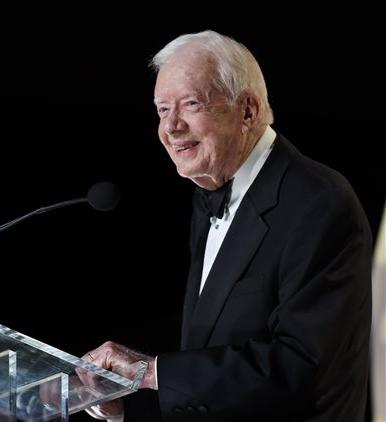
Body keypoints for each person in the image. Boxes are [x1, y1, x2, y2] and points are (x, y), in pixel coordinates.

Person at [79, 30, 373, 421]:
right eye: (162, 110)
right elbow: (213, 367)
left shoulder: (318, 201)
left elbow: (298, 367)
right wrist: (125, 403)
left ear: (248, 110)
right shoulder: (210, 191)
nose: (171, 128)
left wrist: (149, 372)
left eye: (190, 104)